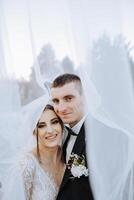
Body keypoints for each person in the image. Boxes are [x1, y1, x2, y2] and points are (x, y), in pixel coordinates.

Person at [2, 104, 66, 200]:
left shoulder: (68, 154)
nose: (50, 130)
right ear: (33, 131)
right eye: (41, 126)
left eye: (54, 122)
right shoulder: (26, 165)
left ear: (61, 124)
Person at [51, 73, 94, 200]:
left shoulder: (104, 135)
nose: (61, 108)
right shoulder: (60, 136)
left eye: (69, 98)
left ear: (84, 97)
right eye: (56, 101)